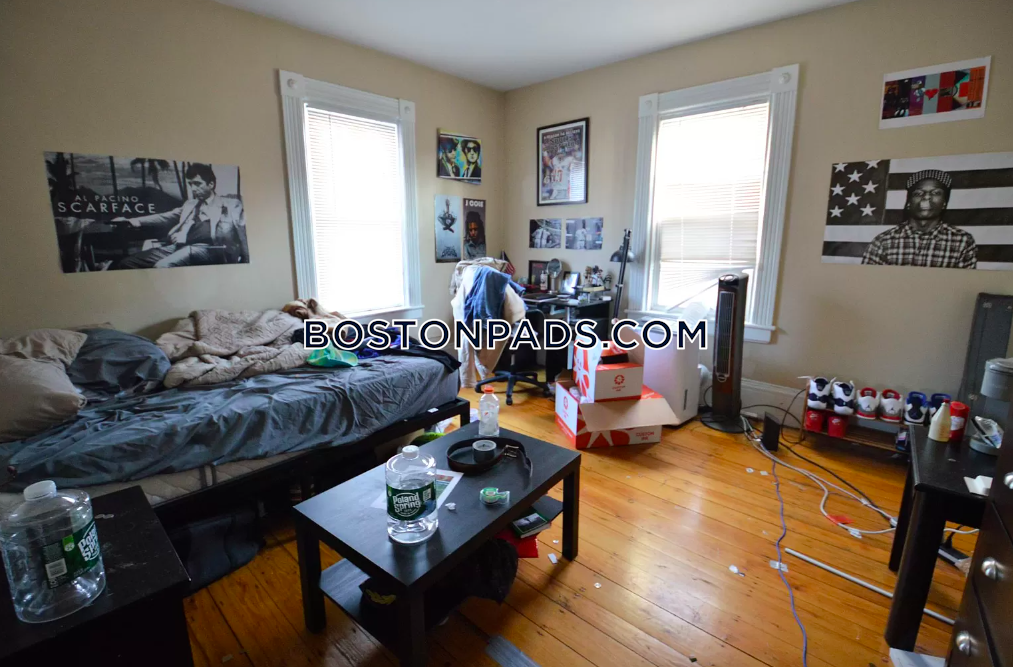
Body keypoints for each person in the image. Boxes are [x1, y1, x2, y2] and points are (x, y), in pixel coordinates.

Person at [112, 163, 248, 269]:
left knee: (163, 266)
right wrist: (132, 221)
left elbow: (242, 234)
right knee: (128, 262)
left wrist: (246, 261)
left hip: (210, 250)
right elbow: (165, 216)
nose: (193, 189)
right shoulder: (190, 204)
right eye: (190, 184)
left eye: (197, 184)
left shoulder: (230, 204)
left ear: (211, 184)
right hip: (180, 247)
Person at [861, 169, 977, 269]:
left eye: (936, 193)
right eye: (918, 193)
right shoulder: (883, 241)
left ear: (944, 203)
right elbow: (868, 280)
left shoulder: (962, 241)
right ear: (908, 203)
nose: (926, 197)